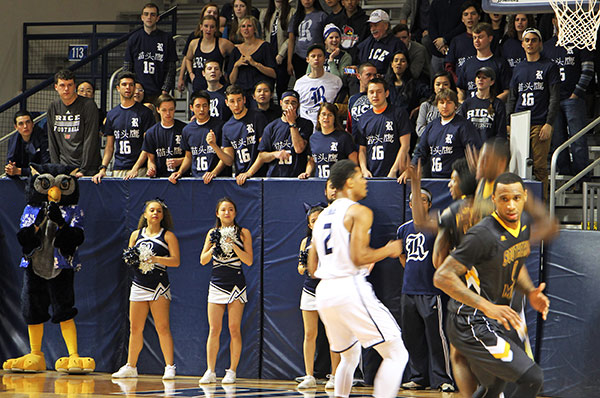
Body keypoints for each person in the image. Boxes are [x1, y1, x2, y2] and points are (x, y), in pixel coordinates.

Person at [433, 172, 554, 398]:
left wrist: (530, 292)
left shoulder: (524, 225)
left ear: (525, 196)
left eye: (516, 198)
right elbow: (442, 276)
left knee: (496, 384)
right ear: (494, 201)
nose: (511, 205)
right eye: (504, 199)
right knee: (532, 378)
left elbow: (515, 263)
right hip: (469, 320)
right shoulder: (482, 234)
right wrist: (486, 306)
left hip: (493, 319)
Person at [307, 159, 409, 398]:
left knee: (349, 356)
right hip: (348, 287)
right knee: (397, 353)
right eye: (361, 177)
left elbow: (312, 266)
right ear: (350, 181)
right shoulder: (359, 211)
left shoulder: (320, 217)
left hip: (324, 291)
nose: (366, 182)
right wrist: (390, 250)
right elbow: (359, 256)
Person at [112, 199, 180, 380]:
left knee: (162, 327)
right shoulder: (136, 235)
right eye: (152, 210)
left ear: (162, 215)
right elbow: (128, 257)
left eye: (158, 211)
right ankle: (131, 366)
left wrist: (156, 259)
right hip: (139, 284)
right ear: (145, 214)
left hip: (158, 286)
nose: (155, 213)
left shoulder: (168, 236)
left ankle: (169, 366)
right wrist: (132, 259)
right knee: (135, 328)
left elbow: (176, 261)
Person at [396, 186, 455, 393]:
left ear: (429, 204)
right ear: (410, 205)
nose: (419, 204)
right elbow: (402, 255)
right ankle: (418, 377)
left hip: (432, 291)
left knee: (437, 337)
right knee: (412, 337)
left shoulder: (437, 227)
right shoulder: (403, 229)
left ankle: (443, 378)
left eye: (424, 200)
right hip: (408, 291)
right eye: (415, 200)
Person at [199, 198, 253, 385]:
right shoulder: (212, 233)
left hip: (236, 284)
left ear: (235, 213)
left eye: (230, 209)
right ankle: (210, 370)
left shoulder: (243, 232)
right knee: (214, 329)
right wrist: (216, 245)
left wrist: (233, 244)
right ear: (217, 213)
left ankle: (232, 371)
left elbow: (249, 260)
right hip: (217, 283)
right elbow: (203, 260)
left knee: (233, 328)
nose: (227, 213)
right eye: (223, 210)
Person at [506, 28, 560, 200]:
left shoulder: (549, 67)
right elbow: (512, 97)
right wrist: (509, 122)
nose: (530, 43)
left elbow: (554, 97)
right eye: (527, 40)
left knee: (539, 167)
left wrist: (549, 123)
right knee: (517, 168)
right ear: (522, 44)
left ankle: (541, 206)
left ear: (540, 44)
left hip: (539, 123)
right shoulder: (518, 68)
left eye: (534, 40)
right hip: (519, 123)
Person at [544, 14, 594, 179]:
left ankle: (582, 179)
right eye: (559, 19)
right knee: (558, 141)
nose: (563, 22)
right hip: (554, 101)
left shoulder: (581, 43)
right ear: (554, 21)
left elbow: (588, 71)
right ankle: (566, 178)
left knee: (578, 141)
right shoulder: (547, 47)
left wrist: (576, 94)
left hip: (573, 99)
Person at [296, 204, 340, 389]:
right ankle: (309, 375)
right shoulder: (305, 242)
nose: (318, 222)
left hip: (329, 289)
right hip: (309, 290)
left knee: (333, 335)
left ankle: (335, 375)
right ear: (310, 225)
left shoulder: (334, 239)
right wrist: (308, 266)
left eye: (321, 218)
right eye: (314, 220)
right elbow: (300, 268)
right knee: (309, 334)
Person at [403, 88, 481, 181]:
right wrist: (411, 168)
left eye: (449, 102)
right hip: (435, 179)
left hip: (456, 180)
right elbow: (421, 151)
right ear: (437, 105)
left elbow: (474, 151)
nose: (445, 106)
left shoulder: (464, 126)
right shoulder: (431, 126)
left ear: (455, 106)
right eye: (441, 102)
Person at [92, 71, 156, 184]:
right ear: (117, 88)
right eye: (124, 84)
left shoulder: (145, 113)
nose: (128, 88)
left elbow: (148, 145)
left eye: (131, 85)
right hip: (119, 168)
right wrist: (103, 168)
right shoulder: (112, 114)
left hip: (139, 169)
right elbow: (109, 147)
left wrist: (135, 168)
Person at [236, 90, 312, 183]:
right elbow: (262, 156)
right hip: (275, 178)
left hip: (297, 178)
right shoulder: (271, 127)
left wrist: (292, 123)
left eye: (293, 102)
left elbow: (299, 149)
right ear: (281, 103)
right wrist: (274, 154)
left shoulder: (306, 124)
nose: (290, 106)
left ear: (298, 105)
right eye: (286, 102)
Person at [47, 69, 101, 177]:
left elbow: (90, 139)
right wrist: (56, 168)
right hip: (63, 168)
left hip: (87, 169)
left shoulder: (88, 105)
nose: (66, 89)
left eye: (70, 85)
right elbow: (52, 140)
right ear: (56, 87)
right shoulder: (53, 106)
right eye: (62, 85)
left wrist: (83, 170)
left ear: (74, 86)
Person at [168, 91, 229, 185]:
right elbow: (189, 156)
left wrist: (214, 173)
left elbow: (226, 158)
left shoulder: (220, 126)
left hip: (218, 180)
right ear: (191, 108)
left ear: (209, 107)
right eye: (198, 106)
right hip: (196, 180)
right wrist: (180, 172)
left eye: (204, 106)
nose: (201, 109)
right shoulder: (187, 130)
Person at [356, 78, 412, 178]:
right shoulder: (363, 118)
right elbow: (362, 150)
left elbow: (405, 145)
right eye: (371, 92)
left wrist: (394, 170)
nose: (375, 95)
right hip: (371, 175)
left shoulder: (398, 114)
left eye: (379, 92)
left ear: (386, 93)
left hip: (394, 175)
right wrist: (364, 170)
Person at [123, 3, 178, 104]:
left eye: (152, 14)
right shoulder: (134, 39)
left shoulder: (166, 39)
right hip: (138, 92)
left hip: (158, 92)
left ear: (157, 18)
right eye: (146, 14)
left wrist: (165, 89)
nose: (149, 17)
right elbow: (127, 67)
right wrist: (131, 88)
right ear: (142, 17)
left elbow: (171, 68)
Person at [127, 94, 186, 178]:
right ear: (158, 110)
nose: (168, 113)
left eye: (171, 109)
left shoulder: (184, 129)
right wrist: (151, 169)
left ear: (175, 109)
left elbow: (190, 157)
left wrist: (179, 161)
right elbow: (151, 159)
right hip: (160, 178)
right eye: (164, 110)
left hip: (181, 178)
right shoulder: (151, 132)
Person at [299, 102, 357, 179]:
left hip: (338, 183)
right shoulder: (313, 138)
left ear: (334, 118)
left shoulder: (344, 137)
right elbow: (312, 160)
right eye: (323, 114)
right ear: (318, 118)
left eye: (330, 115)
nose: (326, 117)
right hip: (319, 182)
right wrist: (306, 173)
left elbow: (353, 161)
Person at [457, 22, 511, 103]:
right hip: (471, 111)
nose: (477, 41)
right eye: (474, 38)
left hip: (492, 110)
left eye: (480, 37)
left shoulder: (500, 63)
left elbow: (507, 91)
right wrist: (462, 102)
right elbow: (461, 88)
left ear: (490, 38)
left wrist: (492, 103)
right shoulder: (467, 64)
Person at [222, 85, 269, 176]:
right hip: (240, 176)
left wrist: (249, 173)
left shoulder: (257, 117)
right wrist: (214, 146)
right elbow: (229, 160)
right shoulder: (226, 127)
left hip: (260, 174)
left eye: (239, 100)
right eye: (232, 101)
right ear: (226, 102)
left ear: (244, 100)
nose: (236, 105)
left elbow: (264, 150)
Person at [294, 44, 343, 128]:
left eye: (319, 56)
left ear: (324, 59)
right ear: (307, 59)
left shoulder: (336, 81)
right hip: (305, 129)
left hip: (328, 127)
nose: (316, 58)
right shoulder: (299, 83)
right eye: (313, 56)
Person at [178, 3, 222, 93]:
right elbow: (187, 58)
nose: (211, 14)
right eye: (209, 12)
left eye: (215, 13)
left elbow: (234, 51)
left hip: (215, 83)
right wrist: (188, 75)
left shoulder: (221, 41)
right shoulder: (194, 38)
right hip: (197, 80)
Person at [228, 16, 277, 97]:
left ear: (255, 29)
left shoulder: (265, 46)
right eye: (243, 26)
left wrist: (255, 64)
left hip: (260, 92)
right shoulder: (236, 50)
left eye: (249, 26)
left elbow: (273, 74)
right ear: (240, 30)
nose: (246, 29)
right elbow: (231, 81)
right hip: (241, 93)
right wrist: (236, 66)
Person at [184, 15, 234, 93]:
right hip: (198, 85)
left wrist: (229, 73)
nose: (208, 30)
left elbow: (236, 53)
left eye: (212, 27)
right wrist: (191, 74)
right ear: (201, 27)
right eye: (206, 26)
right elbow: (188, 59)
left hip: (218, 87)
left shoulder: (223, 43)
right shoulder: (194, 43)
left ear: (216, 29)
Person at [458, 66, 508, 142]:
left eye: (484, 77)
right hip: (471, 149)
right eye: (478, 77)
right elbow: (461, 129)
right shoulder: (467, 103)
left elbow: (501, 133)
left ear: (492, 82)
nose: (480, 80)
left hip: (490, 149)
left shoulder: (498, 104)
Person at [355, 9, 407, 76]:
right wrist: (357, 68)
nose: (372, 29)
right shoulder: (367, 43)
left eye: (376, 25)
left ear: (386, 26)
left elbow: (401, 71)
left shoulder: (397, 45)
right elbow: (360, 61)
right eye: (371, 26)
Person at [260, 0, 295, 99]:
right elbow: (262, 34)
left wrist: (281, 53)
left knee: (281, 87)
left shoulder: (292, 12)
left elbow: (291, 37)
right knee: (267, 87)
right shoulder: (265, 12)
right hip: (268, 55)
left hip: (283, 56)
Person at [287, 0, 327, 79]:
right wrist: (289, 62)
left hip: (316, 57)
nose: (307, 1)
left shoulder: (322, 15)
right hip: (299, 57)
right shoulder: (296, 17)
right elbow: (291, 40)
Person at [384, 51, 430, 116]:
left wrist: (419, 108)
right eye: (396, 60)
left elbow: (432, 96)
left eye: (402, 61)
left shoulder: (415, 84)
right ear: (392, 64)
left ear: (407, 65)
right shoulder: (386, 84)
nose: (399, 63)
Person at [444, 1, 481, 81]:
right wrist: (458, 83)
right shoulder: (456, 41)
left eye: (473, 14)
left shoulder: (485, 39)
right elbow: (449, 66)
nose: (469, 17)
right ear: (462, 19)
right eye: (466, 14)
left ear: (479, 17)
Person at [5, 110, 49, 177]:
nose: (25, 126)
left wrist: (19, 171)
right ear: (16, 127)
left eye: (28, 122)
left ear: (33, 124)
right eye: (21, 124)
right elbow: (10, 162)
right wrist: (10, 169)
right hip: (21, 178)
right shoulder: (13, 140)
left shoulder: (43, 138)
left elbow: (46, 168)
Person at [415, 71, 455, 138]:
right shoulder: (425, 105)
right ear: (433, 87)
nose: (441, 87)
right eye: (438, 84)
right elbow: (420, 129)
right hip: (427, 143)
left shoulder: (457, 106)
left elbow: (456, 129)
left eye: (445, 84)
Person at [346, 62, 378, 142]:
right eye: (368, 75)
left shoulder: (380, 97)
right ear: (358, 76)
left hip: (375, 142)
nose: (372, 78)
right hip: (356, 143)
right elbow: (349, 126)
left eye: (374, 75)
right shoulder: (352, 99)